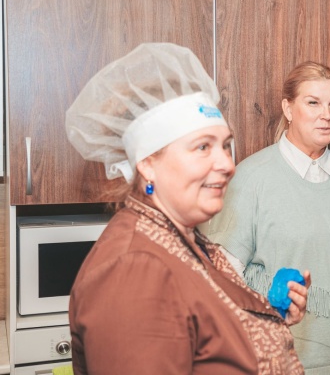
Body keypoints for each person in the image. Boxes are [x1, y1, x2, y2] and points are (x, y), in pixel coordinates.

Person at [65, 43, 310, 375]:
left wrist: (269, 320)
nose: (227, 164)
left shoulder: (188, 240)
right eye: (203, 147)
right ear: (147, 164)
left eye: (226, 146)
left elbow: (206, 335)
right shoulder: (134, 270)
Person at [203, 61, 330, 375]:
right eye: (313, 103)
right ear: (288, 108)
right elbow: (220, 279)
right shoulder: (250, 179)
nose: (326, 115)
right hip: (282, 362)